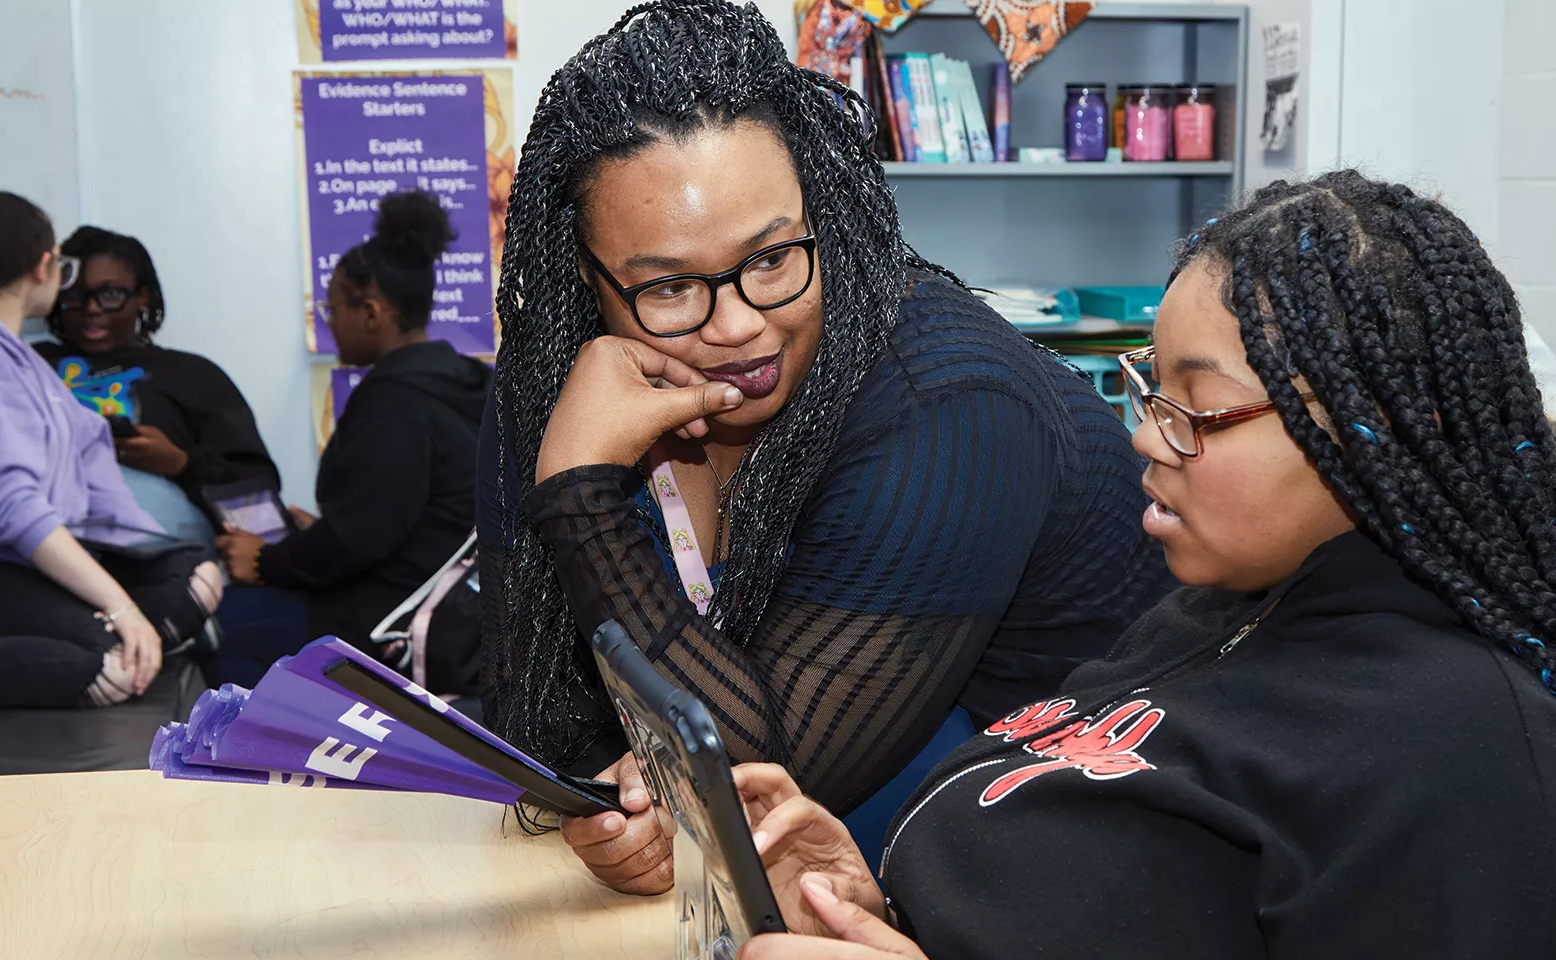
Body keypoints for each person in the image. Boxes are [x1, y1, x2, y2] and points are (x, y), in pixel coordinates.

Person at [725, 172, 1556, 960]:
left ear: (1372, 432)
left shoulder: (1488, 787)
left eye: (1198, 406)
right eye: (1148, 386)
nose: (1145, 435)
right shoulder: (1217, 617)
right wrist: (876, 907)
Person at [483, 0, 1172, 886]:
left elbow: (769, 785)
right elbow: (542, 709)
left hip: (1035, 879)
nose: (738, 326)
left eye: (773, 259)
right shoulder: (552, 387)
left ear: (823, 210)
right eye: (668, 288)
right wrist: (620, 811)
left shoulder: (951, 405)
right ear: (588, 275)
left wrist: (578, 497)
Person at [0, 192, 223, 709]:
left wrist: (137, 569)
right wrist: (120, 609)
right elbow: (6, 508)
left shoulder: (28, 364)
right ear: (44, 267)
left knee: (196, 575)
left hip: (22, 564)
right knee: (106, 666)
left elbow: (101, 495)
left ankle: (124, 638)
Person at [212, 191, 487, 685]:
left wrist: (264, 559)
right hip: (451, 609)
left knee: (222, 629)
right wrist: (322, 529)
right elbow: (402, 517)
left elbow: (358, 540)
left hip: (389, 625)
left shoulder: (394, 404)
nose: (330, 321)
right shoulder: (467, 383)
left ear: (371, 312)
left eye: (333, 307)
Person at [33, 226, 281, 525]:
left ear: (142, 298)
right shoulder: (29, 364)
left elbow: (259, 498)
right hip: (39, 548)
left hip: (166, 556)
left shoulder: (193, 376)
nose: (92, 309)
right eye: (74, 295)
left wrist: (182, 464)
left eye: (111, 295)